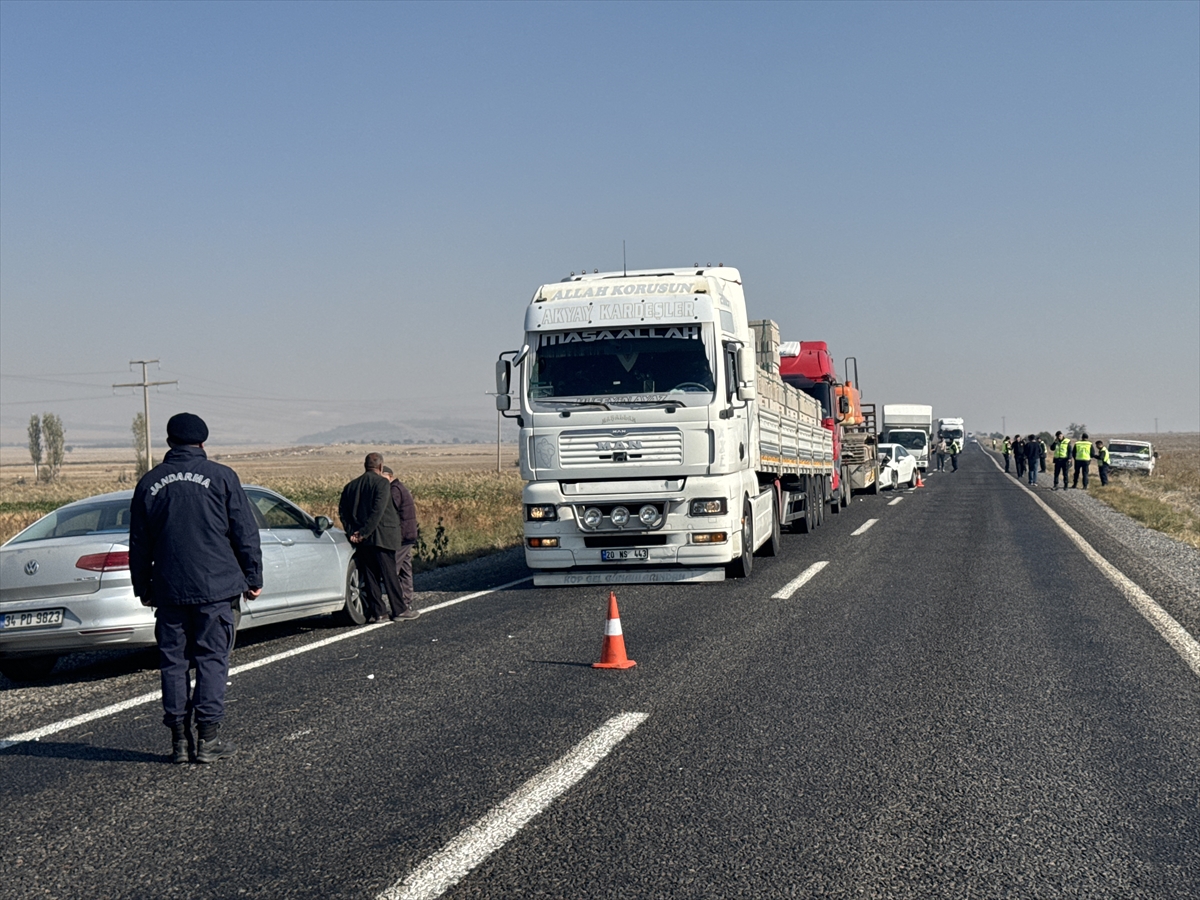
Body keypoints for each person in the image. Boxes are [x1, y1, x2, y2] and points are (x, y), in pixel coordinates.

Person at [129, 413, 262, 764]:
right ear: (202, 441)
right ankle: (208, 738)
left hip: (169, 589)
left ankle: (179, 741)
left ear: (170, 441)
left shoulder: (149, 483)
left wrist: (143, 587)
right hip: (216, 587)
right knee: (211, 659)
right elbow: (244, 532)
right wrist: (253, 577)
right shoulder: (221, 477)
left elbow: (139, 543)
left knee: (173, 663)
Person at [339, 453, 419, 623]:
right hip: (382, 536)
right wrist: (365, 532)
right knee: (390, 574)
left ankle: (378, 612)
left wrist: (353, 531)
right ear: (381, 467)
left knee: (370, 576)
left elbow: (343, 512)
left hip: (362, 540)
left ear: (364, 465)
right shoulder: (382, 483)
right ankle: (399, 609)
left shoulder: (351, 486)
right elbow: (378, 510)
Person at [382, 465, 419, 618]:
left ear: (389, 476)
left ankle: (398, 606)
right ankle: (405, 601)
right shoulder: (399, 487)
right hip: (408, 534)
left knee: (392, 569)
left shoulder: (394, 490)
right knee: (405, 569)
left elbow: (390, 511)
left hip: (401, 536)